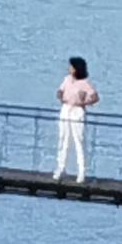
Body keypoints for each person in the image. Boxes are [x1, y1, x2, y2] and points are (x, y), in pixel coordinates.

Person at [54, 56, 97, 184]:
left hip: (77, 110)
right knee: (63, 139)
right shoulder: (67, 79)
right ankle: (60, 168)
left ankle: (82, 172)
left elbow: (95, 97)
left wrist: (84, 101)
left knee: (79, 141)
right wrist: (61, 96)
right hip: (66, 108)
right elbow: (60, 91)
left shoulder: (85, 83)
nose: (69, 68)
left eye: (71, 66)